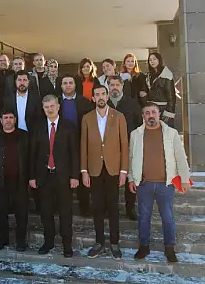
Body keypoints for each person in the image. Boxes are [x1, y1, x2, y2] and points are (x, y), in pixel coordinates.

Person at [128, 103, 191, 263]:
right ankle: (144, 247)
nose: (151, 115)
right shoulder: (136, 134)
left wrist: (184, 178)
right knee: (144, 217)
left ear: (159, 114)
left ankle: (169, 248)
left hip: (166, 184)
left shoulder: (171, 133)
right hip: (144, 184)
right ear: (143, 116)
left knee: (168, 217)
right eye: (147, 113)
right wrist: (131, 178)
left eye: (153, 112)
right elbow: (130, 158)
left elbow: (180, 157)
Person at [81, 85, 129, 259]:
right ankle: (99, 242)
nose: (100, 97)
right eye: (97, 94)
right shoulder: (87, 118)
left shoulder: (119, 116)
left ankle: (114, 243)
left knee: (113, 207)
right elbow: (83, 146)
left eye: (103, 94)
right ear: (93, 98)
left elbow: (124, 145)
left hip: (113, 169)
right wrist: (84, 171)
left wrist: (124, 170)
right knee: (97, 207)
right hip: (94, 169)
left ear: (107, 96)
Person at [29, 95, 79, 258]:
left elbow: (74, 153)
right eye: (46, 107)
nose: (49, 109)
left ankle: (67, 245)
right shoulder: (37, 127)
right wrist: (32, 176)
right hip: (44, 176)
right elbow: (33, 153)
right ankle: (48, 241)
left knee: (65, 212)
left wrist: (74, 176)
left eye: (52, 106)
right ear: (43, 109)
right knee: (46, 212)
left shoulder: (69, 126)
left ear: (58, 107)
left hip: (63, 176)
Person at [0, 110, 30, 252]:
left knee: (21, 213)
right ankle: (2, 239)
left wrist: (31, 177)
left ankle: (21, 241)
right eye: (5, 118)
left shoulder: (24, 136)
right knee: (1, 212)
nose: (8, 120)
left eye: (10, 117)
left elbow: (31, 157)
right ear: (1, 120)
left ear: (15, 119)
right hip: (0, 181)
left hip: (20, 181)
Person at [106, 75, 143, 221]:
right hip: (108, 149)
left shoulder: (132, 103)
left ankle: (130, 208)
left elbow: (139, 125)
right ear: (108, 87)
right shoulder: (104, 103)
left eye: (117, 85)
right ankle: (111, 208)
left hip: (129, 146)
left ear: (122, 86)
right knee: (110, 179)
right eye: (112, 85)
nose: (114, 87)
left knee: (130, 178)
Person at [58, 75, 94, 216]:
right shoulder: (56, 102)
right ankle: (62, 207)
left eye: (70, 83)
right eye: (65, 83)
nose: (68, 85)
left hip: (80, 143)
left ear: (75, 85)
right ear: (61, 86)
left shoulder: (85, 102)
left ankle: (84, 207)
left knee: (81, 173)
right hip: (60, 144)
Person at [146, 52, 177, 128]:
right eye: (150, 60)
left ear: (159, 60)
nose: (152, 61)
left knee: (166, 132)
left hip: (163, 109)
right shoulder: (149, 75)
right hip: (151, 109)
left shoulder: (166, 75)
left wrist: (169, 112)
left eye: (154, 59)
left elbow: (171, 96)